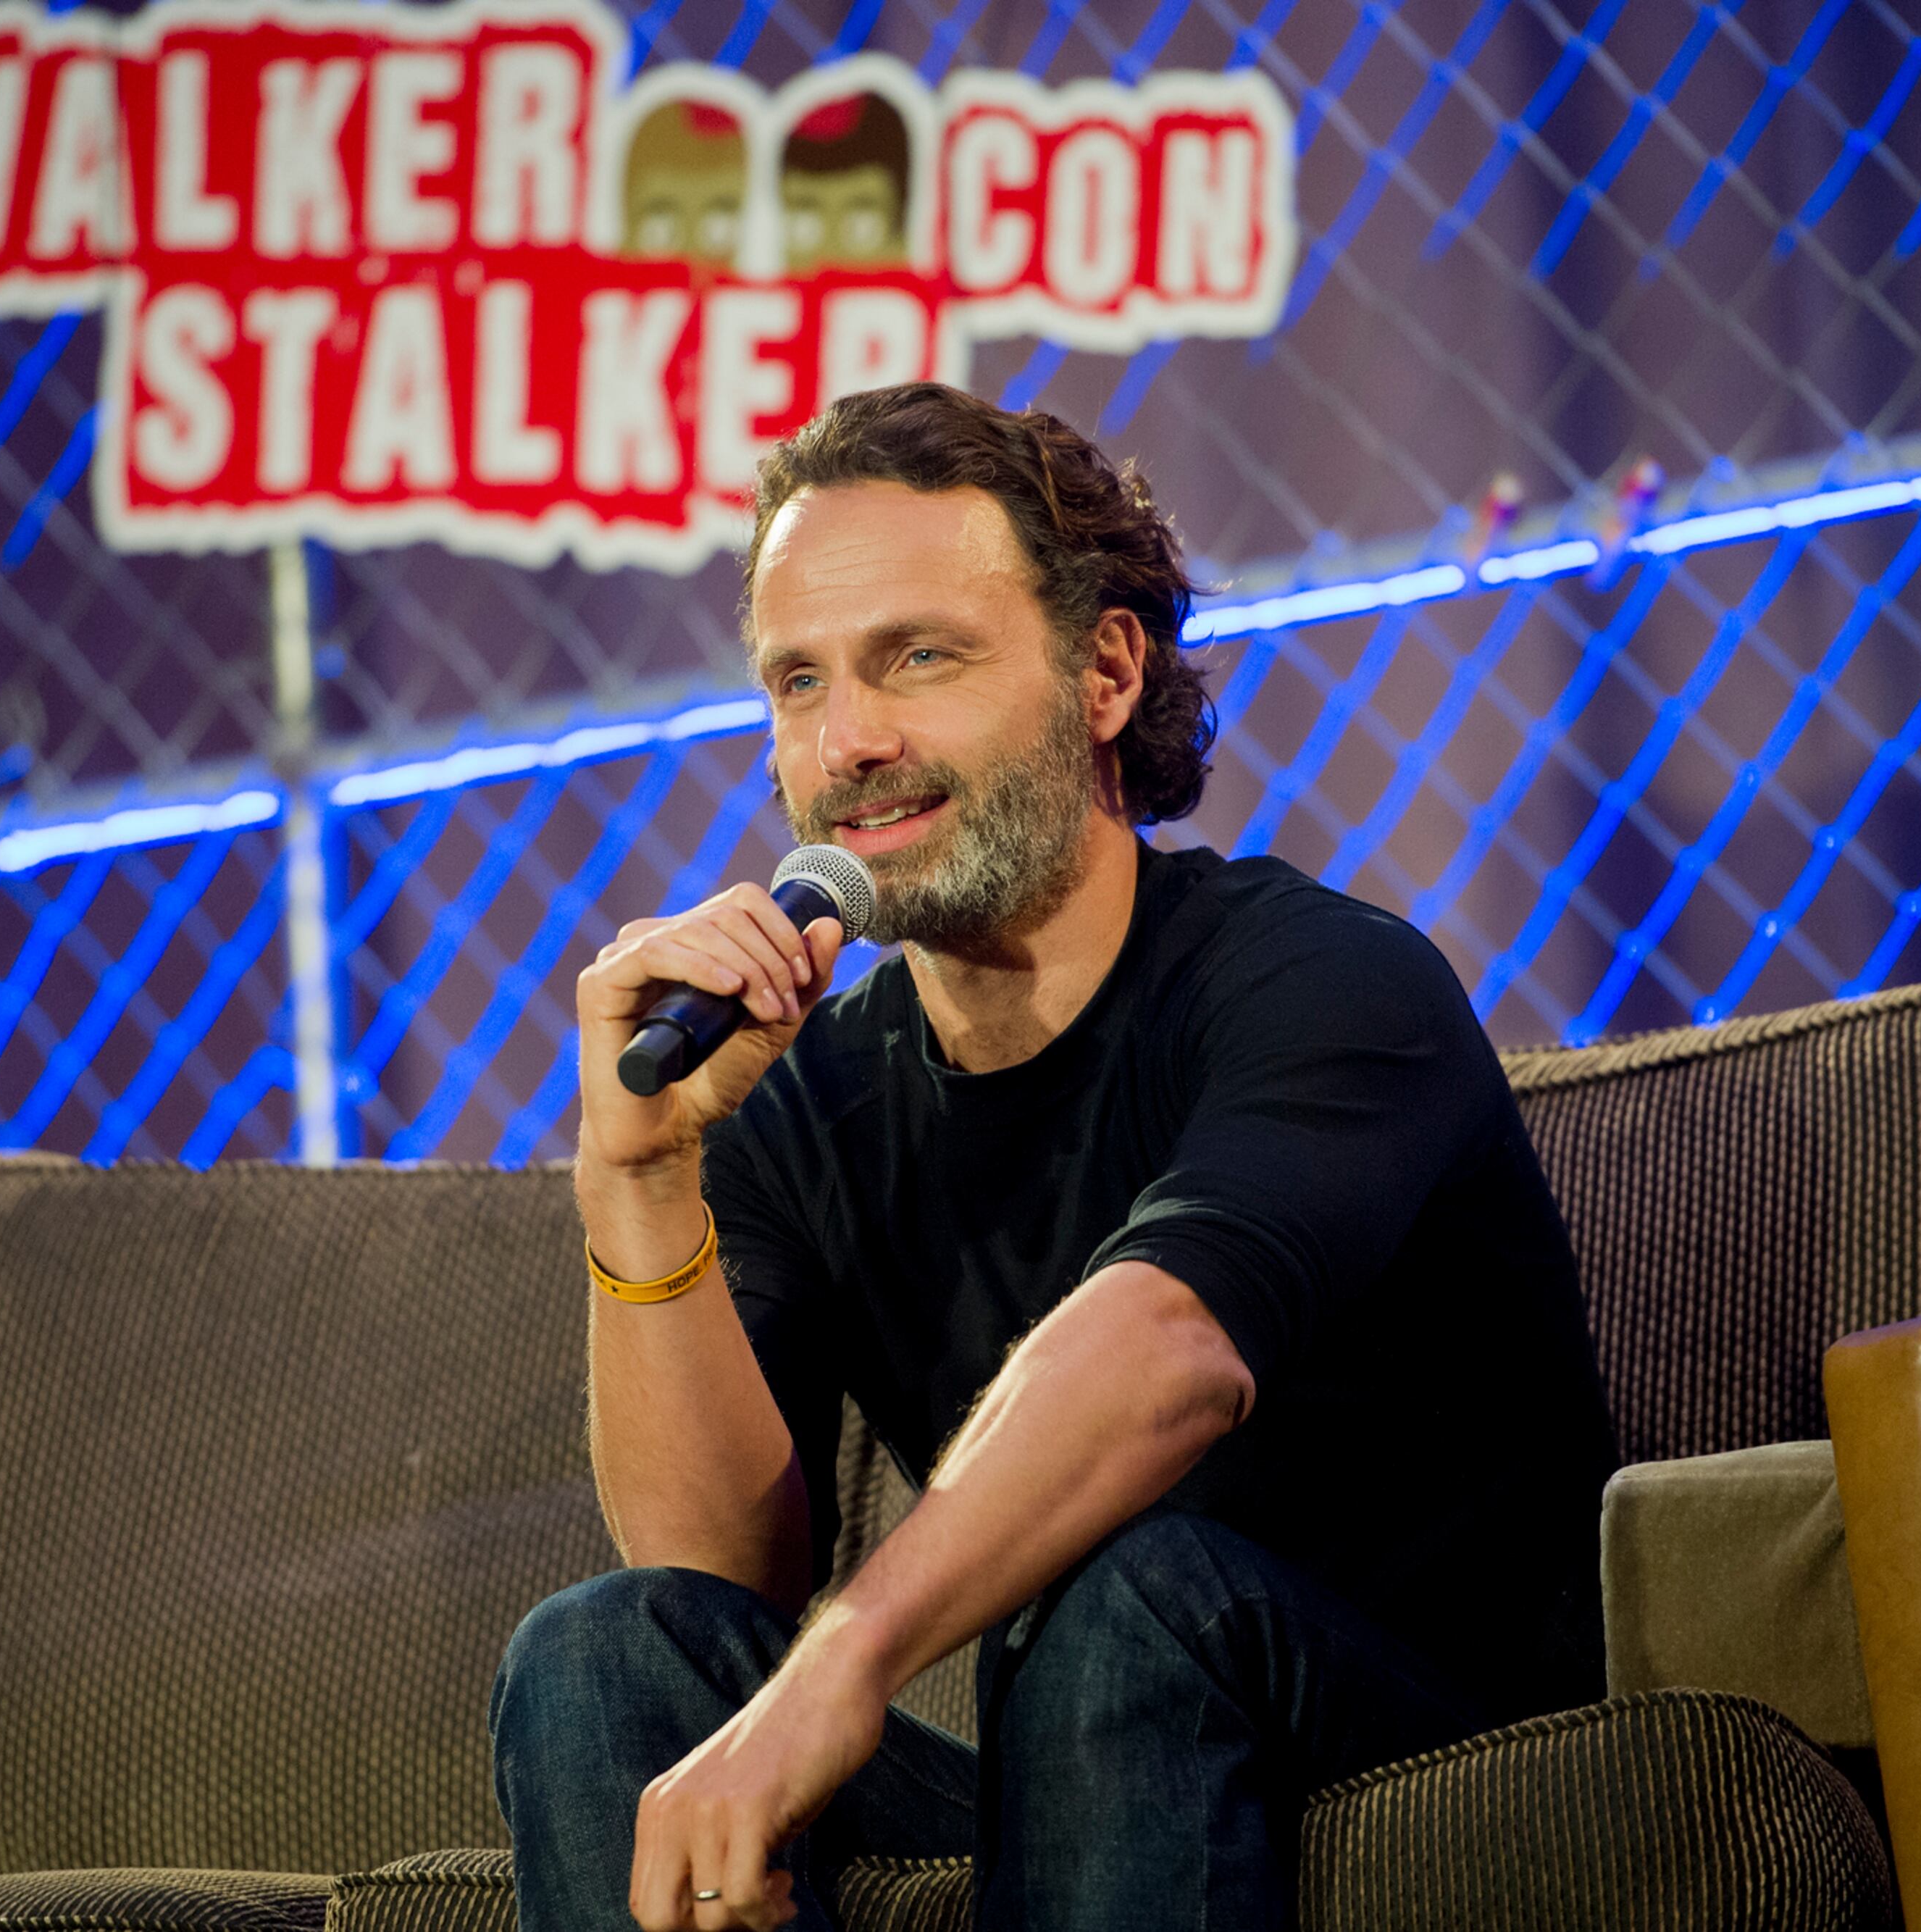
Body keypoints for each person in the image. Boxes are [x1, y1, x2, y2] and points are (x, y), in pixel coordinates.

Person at [490, 382, 1617, 1932]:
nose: (849, 741)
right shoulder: (801, 1098)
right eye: (797, 682)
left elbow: (1171, 1353)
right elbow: (720, 1586)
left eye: (919, 657)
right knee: (605, 1652)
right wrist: (641, 1178)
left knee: (1132, 1592)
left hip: (1445, 1752)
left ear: (1103, 670)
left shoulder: (1324, 983)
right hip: (1098, 1757)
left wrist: (852, 1658)